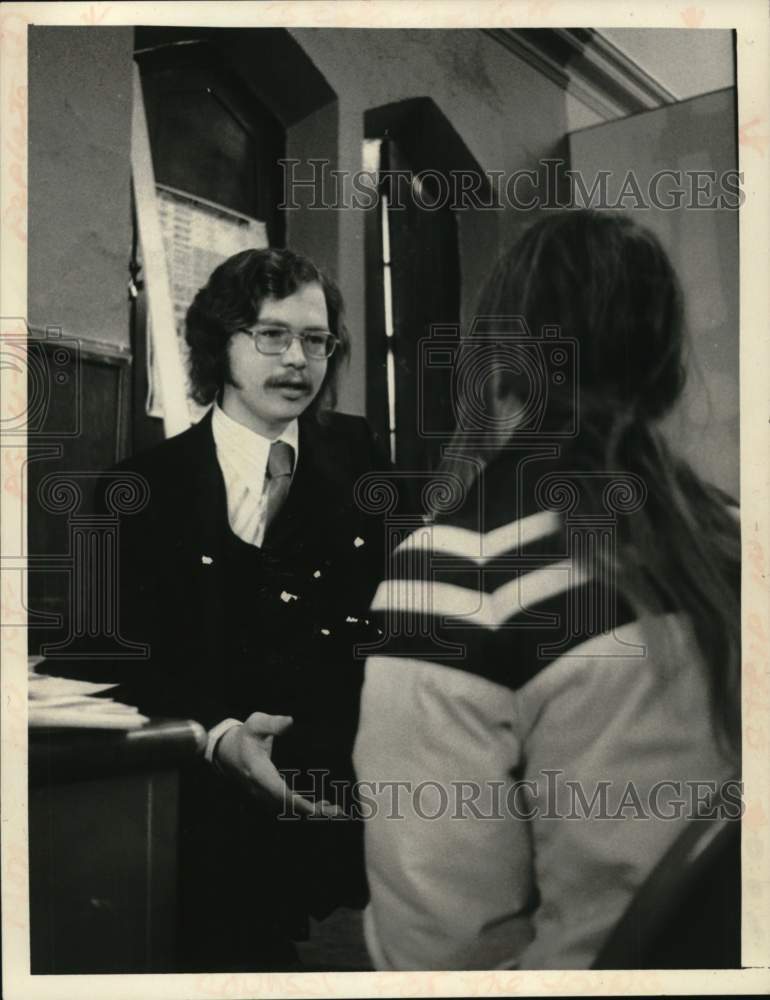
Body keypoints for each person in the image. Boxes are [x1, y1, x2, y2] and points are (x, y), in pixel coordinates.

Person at [353, 210, 741, 970]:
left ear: (498, 361)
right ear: (665, 367)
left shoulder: (455, 572)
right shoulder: (737, 535)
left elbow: (438, 949)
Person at [59, 248, 386, 970]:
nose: (297, 358)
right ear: (219, 343)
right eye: (272, 335)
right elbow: (95, 668)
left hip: (348, 836)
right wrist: (217, 735)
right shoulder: (133, 491)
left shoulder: (363, 465)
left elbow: (396, 630)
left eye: (316, 339)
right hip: (193, 833)